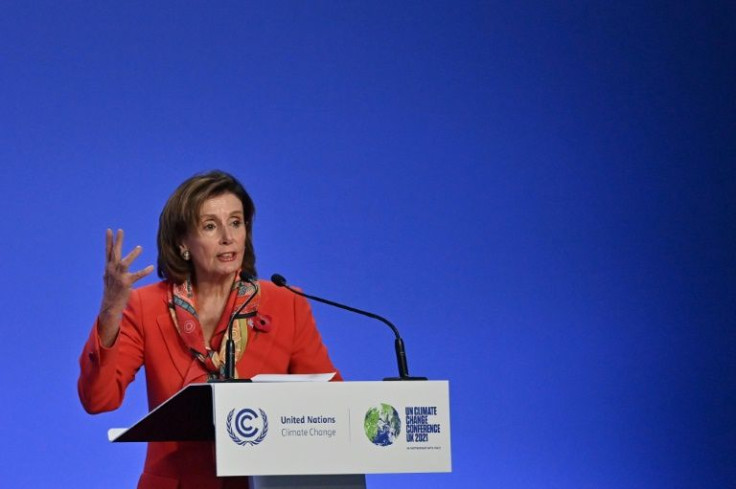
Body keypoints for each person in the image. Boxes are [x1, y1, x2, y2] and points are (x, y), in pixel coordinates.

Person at [78, 170, 341, 489]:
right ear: (182, 242)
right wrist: (110, 312)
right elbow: (98, 400)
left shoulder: (286, 304)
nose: (228, 238)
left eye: (236, 222)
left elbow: (331, 406)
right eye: (210, 226)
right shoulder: (145, 306)